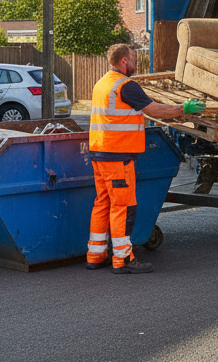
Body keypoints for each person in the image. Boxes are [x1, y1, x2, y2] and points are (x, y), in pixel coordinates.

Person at [88, 44, 206, 274]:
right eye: (133, 59)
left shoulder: (102, 83)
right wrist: (184, 108)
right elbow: (154, 110)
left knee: (103, 203)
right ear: (123, 61)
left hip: (100, 153)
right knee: (123, 207)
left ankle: (95, 255)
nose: (136, 63)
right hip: (119, 157)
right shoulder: (125, 86)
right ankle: (122, 260)